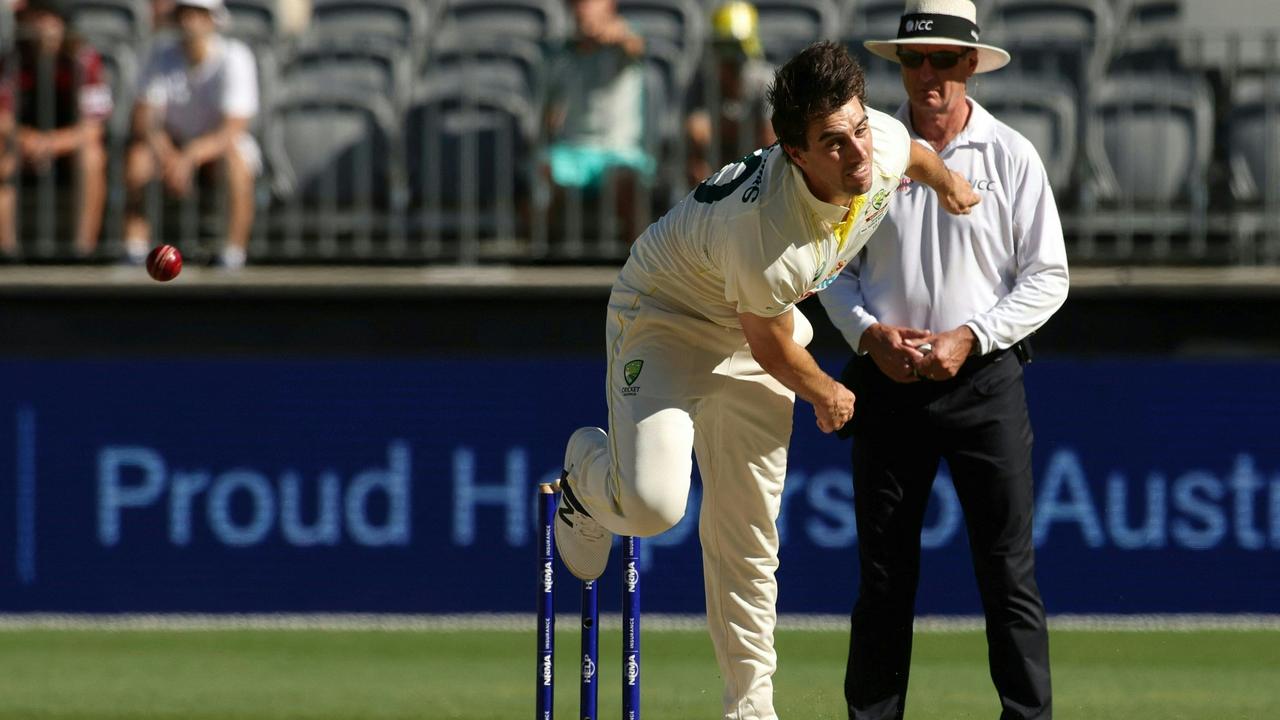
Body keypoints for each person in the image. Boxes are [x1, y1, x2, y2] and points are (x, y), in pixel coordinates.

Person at [554, 41, 980, 720]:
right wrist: (832, 394)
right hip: (668, 319)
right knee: (654, 509)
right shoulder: (767, 231)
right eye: (834, 143)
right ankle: (584, 480)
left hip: (755, 324)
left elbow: (914, 156)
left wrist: (949, 184)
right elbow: (776, 349)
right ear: (795, 153)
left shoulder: (883, 145)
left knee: (749, 536)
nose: (859, 154)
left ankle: (749, 710)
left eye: (859, 128)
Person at [817, 2, 1069, 718]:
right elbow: (830, 266)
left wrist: (975, 336)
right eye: (913, 59)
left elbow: (1047, 276)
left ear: (970, 66)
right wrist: (869, 334)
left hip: (983, 381)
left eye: (943, 60)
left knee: (1007, 574)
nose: (926, 75)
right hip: (889, 380)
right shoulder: (867, 153)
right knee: (885, 578)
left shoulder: (1012, 155)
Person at [124, 0, 259, 268]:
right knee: (138, 160)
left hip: (216, 147)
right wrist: (170, 156)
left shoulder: (236, 56)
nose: (189, 22)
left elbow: (233, 128)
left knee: (237, 166)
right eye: (185, 14)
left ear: (213, 20)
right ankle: (134, 250)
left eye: (198, 14)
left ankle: (233, 253)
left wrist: (188, 158)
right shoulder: (161, 53)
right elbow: (144, 117)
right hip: (172, 145)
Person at [0, 0, 111, 259]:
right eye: (35, 17)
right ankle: (6, 257)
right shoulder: (11, 58)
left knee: (92, 158)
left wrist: (48, 143)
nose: (42, 27)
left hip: (65, 150)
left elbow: (93, 127)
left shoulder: (84, 59)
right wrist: (26, 139)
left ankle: (81, 254)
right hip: (21, 147)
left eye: (48, 18)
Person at [542, 0, 653, 243]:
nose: (582, 7)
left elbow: (636, 46)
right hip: (573, 152)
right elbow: (550, 110)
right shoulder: (561, 54)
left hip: (620, 152)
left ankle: (642, 267)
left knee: (627, 179)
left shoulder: (627, 39)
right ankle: (538, 263)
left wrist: (618, 32)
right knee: (540, 175)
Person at [683, 0, 776, 188]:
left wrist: (726, 129)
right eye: (723, 46)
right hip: (719, 164)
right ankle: (707, 206)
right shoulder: (703, 80)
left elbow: (771, 139)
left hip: (758, 169)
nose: (730, 56)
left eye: (736, 47)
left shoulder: (765, 80)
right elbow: (696, 130)